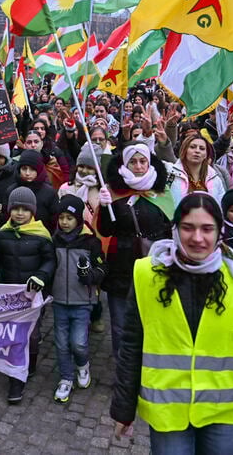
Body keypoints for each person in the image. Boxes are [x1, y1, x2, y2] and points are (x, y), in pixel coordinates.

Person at [110, 193, 233, 454]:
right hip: (169, 412)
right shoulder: (147, 275)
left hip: (224, 410)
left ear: (220, 232)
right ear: (175, 230)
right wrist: (123, 409)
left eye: (207, 229)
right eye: (188, 228)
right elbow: (132, 345)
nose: (198, 238)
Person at [98, 142, 174, 360]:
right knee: (120, 324)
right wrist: (105, 208)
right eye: (133, 161)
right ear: (125, 163)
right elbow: (105, 229)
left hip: (153, 267)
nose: (138, 166)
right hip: (121, 267)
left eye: (142, 161)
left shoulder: (162, 192)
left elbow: (169, 228)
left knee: (151, 321)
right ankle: (123, 368)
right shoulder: (114, 192)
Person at [0, 187, 55, 404]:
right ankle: (15, 375)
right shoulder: (2, 234)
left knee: (31, 335)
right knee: (12, 335)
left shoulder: (41, 236)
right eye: (16, 209)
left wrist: (41, 276)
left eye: (24, 209)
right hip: (10, 296)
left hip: (33, 296)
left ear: (33, 212)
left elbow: (50, 261)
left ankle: (30, 362)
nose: (20, 213)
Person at [50, 195, 104, 404]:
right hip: (59, 301)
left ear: (78, 219)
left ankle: (83, 365)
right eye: (61, 217)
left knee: (78, 343)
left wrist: (92, 276)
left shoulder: (91, 242)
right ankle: (65, 378)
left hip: (83, 301)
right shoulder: (54, 241)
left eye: (69, 218)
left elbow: (102, 266)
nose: (64, 222)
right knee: (62, 343)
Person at [171, 131, 227, 207]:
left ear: (206, 155)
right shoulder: (171, 174)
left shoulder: (215, 178)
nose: (197, 151)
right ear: (185, 150)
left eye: (202, 148)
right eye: (192, 147)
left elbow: (222, 207)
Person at [7, 149, 59, 231]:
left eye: (32, 169)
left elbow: (54, 222)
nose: (27, 173)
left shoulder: (49, 193)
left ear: (39, 171)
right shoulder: (11, 191)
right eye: (24, 168)